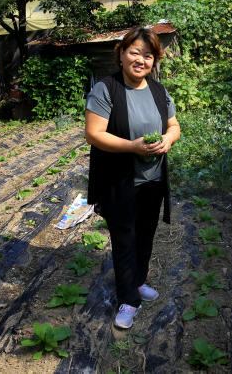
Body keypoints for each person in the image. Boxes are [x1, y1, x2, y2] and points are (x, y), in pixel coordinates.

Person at [85, 26, 180, 329]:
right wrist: (132, 147)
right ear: (122, 55)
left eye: (148, 55)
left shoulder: (158, 90)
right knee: (124, 239)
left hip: (152, 179)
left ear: (155, 60)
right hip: (120, 180)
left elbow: (174, 125)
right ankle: (128, 299)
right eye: (135, 52)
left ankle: (138, 282)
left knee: (145, 235)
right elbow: (94, 134)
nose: (141, 60)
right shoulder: (106, 89)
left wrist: (168, 139)